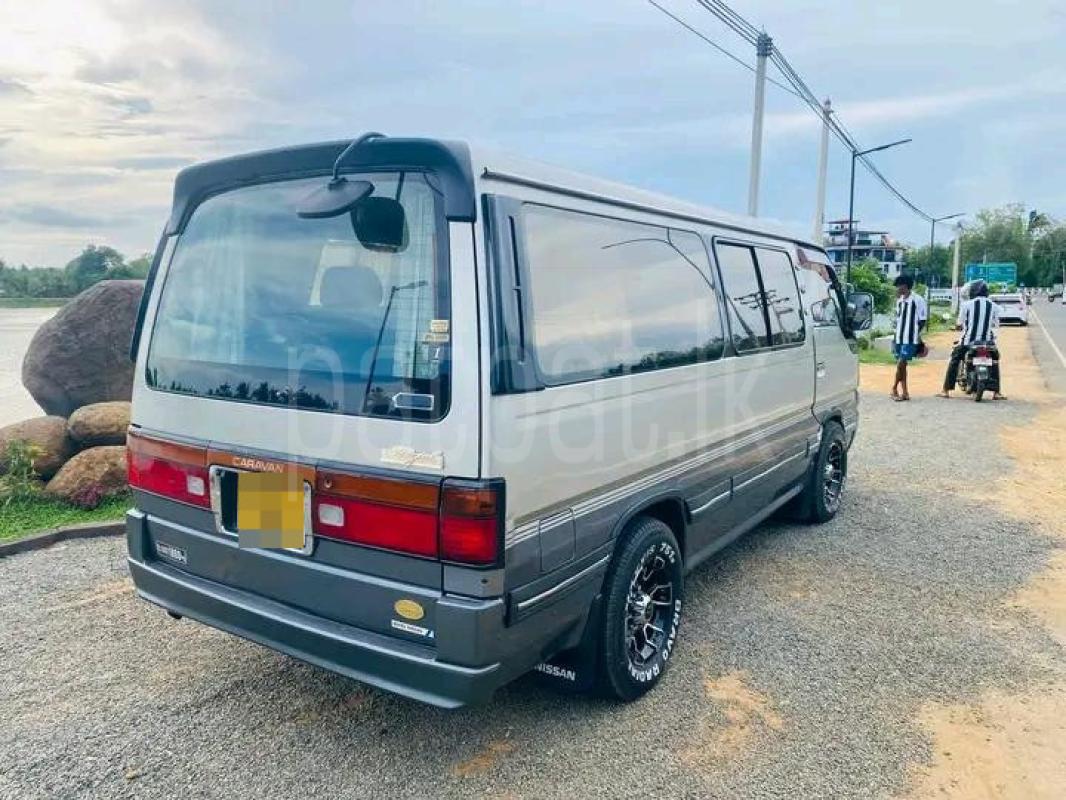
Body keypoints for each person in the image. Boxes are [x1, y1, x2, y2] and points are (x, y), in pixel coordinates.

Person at [937, 279, 1003, 399]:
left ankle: (946, 390)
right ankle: (997, 392)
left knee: (954, 360)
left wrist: (958, 326)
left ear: (973, 292)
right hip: (988, 342)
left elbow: (959, 322)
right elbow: (996, 324)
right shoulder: (994, 306)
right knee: (994, 362)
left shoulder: (966, 305)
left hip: (968, 342)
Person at [891, 274, 926, 402]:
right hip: (899, 337)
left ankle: (894, 388)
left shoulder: (917, 300)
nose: (897, 289)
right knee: (902, 365)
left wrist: (916, 334)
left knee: (901, 362)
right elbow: (898, 319)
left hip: (910, 337)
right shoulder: (899, 301)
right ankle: (905, 391)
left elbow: (922, 320)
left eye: (898, 286)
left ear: (904, 286)